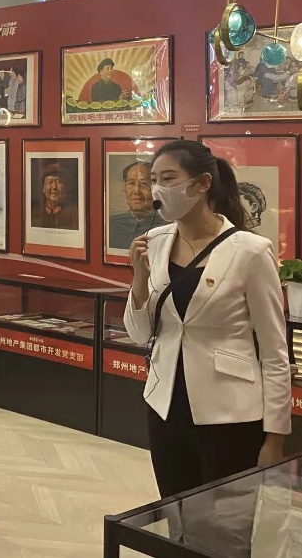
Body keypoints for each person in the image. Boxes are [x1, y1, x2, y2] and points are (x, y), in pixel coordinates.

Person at [124, 140, 290, 499]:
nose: (157, 189)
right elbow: (139, 334)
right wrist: (139, 280)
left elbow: (275, 352)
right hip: (165, 408)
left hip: (231, 415)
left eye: (168, 178)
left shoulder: (250, 251)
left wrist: (275, 438)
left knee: (227, 522)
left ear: (201, 184)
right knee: (176, 512)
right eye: (154, 180)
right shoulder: (154, 242)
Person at [108, 160, 167, 250]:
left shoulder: (165, 226)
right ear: (124, 188)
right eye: (131, 183)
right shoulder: (111, 225)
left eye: (144, 184)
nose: (136, 191)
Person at [30, 162, 79, 230]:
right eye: (49, 182)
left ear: (64, 188)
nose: (54, 187)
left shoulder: (74, 214)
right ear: (43, 188)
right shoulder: (34, 213)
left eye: (58, 182)